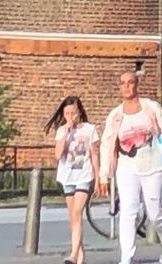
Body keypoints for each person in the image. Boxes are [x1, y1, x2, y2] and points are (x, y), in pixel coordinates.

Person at [98, 70, 162, 264]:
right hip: (127, 166)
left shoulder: (150, 107)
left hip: (152, 165)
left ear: (137, 84)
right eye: (123, 83)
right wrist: (103, 175)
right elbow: (106, 144)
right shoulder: (115, 115)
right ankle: (127, 256)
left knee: (154, 212)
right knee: (128, 210)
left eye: (131, 82)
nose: (127, 87)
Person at [46, 96, 99, 264]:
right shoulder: (62, 131)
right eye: (67, 113)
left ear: (79, 112)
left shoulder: (90, 130)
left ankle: (73, 254)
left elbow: (94, 155)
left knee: (77, 212)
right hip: (67, 176)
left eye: (73, 113)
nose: (70, 116)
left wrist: (98, 179)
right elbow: (57, 154)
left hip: (84, 175)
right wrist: (66, 132)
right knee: (73, 217)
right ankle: (80, 255)